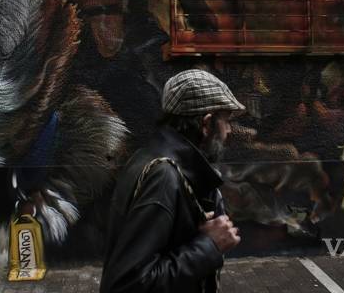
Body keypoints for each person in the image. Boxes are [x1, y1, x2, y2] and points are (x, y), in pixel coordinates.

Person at [100, 69, 245, 293]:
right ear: (206, 124)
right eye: (226, 120)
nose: (229, 130)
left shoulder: (154, 158)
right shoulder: (163, 176)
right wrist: (209, 245)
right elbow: (127, 284)